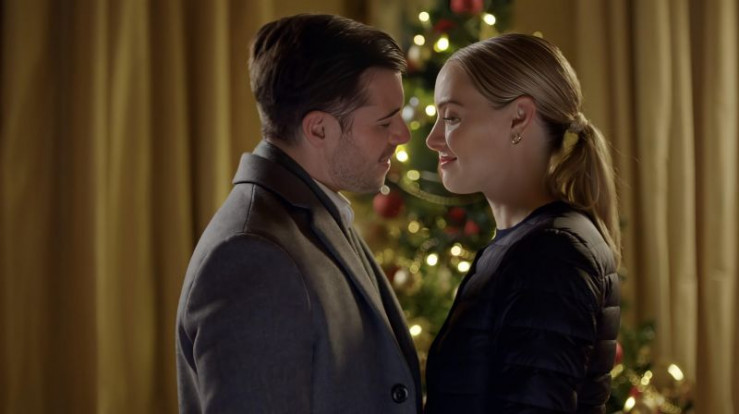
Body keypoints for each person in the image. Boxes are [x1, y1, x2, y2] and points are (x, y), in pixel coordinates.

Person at [175, 14, 422, 413]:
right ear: (319, 129)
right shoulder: (253, 255)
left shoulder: (312, 212)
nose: (403, 135)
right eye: (384, 122)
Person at [424, 33, 621, 413]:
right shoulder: (525, 245)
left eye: (451, 117)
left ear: (518, 117)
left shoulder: (552, 255)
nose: (433, 139)